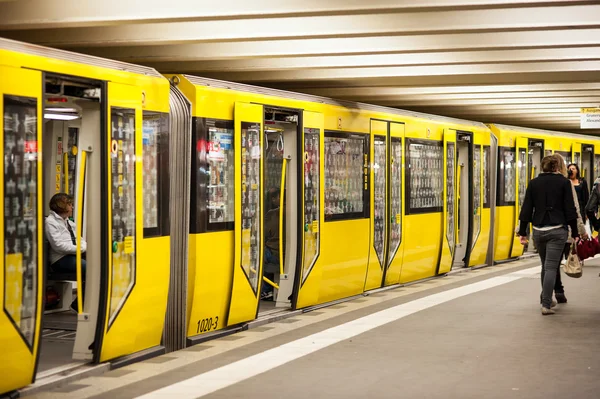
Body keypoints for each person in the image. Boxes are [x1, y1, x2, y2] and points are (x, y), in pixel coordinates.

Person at [518, 154, 579, 315]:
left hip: (538, 231)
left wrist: (522, 232)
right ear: (557, 167)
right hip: (557, 230)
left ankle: (546, 298)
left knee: (545, 266)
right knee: (551, 267)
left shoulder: (534, 183)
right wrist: (576, 232)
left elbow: (526, 209)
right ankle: (545, 303)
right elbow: (570, 209)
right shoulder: (564, 183)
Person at [46, 193, 87, 312]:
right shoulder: (50, 222)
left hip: (73, 255)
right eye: (69, 204)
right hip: (60, 259)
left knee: (101, 266)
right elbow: (58, 246)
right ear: (61, 206)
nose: (72, 207)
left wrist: (82, 247)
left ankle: (81, 303)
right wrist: (80, 249)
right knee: (90, 269)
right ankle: (79, 304)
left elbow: (81, 240)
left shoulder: (68, 222)